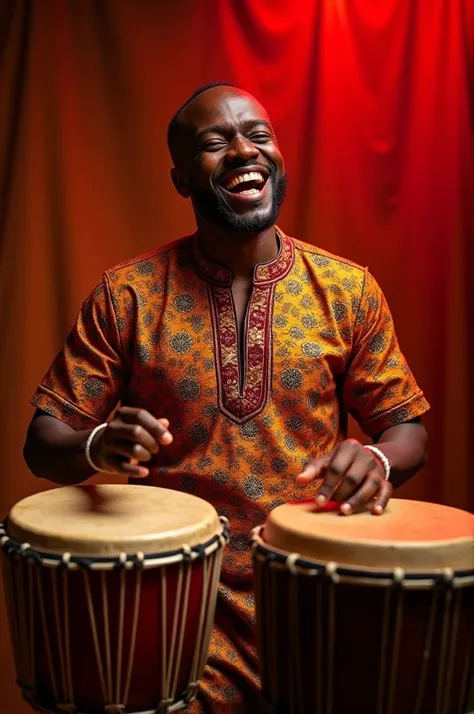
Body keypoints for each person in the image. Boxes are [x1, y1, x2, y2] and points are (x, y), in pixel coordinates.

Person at [24, 81, 429, 713]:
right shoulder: (127, 295)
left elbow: (407, 430)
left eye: (259, 136)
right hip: (180, 604)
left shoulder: (349, 291)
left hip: (315, 592)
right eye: (216, 144)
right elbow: (44, 442)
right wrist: (100, 445)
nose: (244, 151)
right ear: (183, 179)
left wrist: (375, 461)